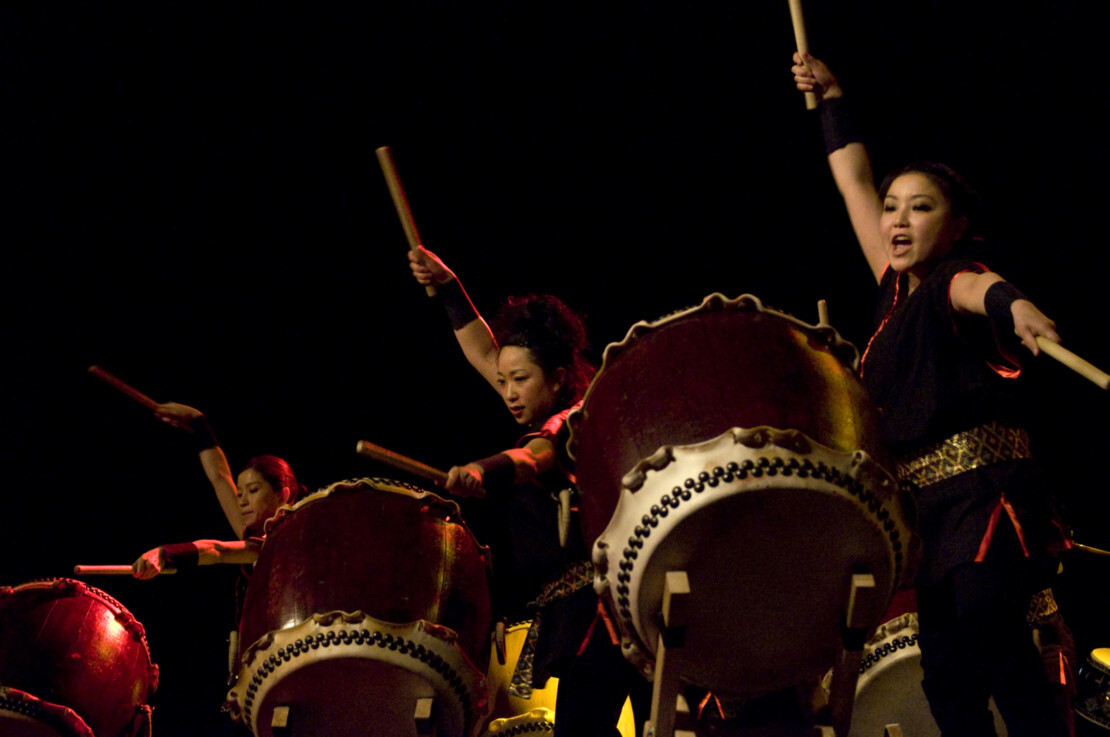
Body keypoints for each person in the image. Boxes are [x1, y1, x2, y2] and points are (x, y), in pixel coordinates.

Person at [791, 52, 1073, 736]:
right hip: (929, 516)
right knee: (945, 679)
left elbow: (983, 289)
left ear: (953, 226)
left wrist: (1018, 309)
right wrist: (833, 100)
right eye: (893, 208)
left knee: (990, 631)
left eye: (921, 207)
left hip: (983, 498)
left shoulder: (953, 280)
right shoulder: (891, 295)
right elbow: (853, 180)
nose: (898, 219)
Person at [409, 247, 650, 737]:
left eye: (520, 380)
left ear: (558, 378)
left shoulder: (576, 420)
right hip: (597, 608)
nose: (509, 391)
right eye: (504, 381)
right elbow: (482, 350)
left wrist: (483, 469)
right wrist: (450, 287)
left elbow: (533, 458)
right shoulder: (543, 402)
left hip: (604, 610)